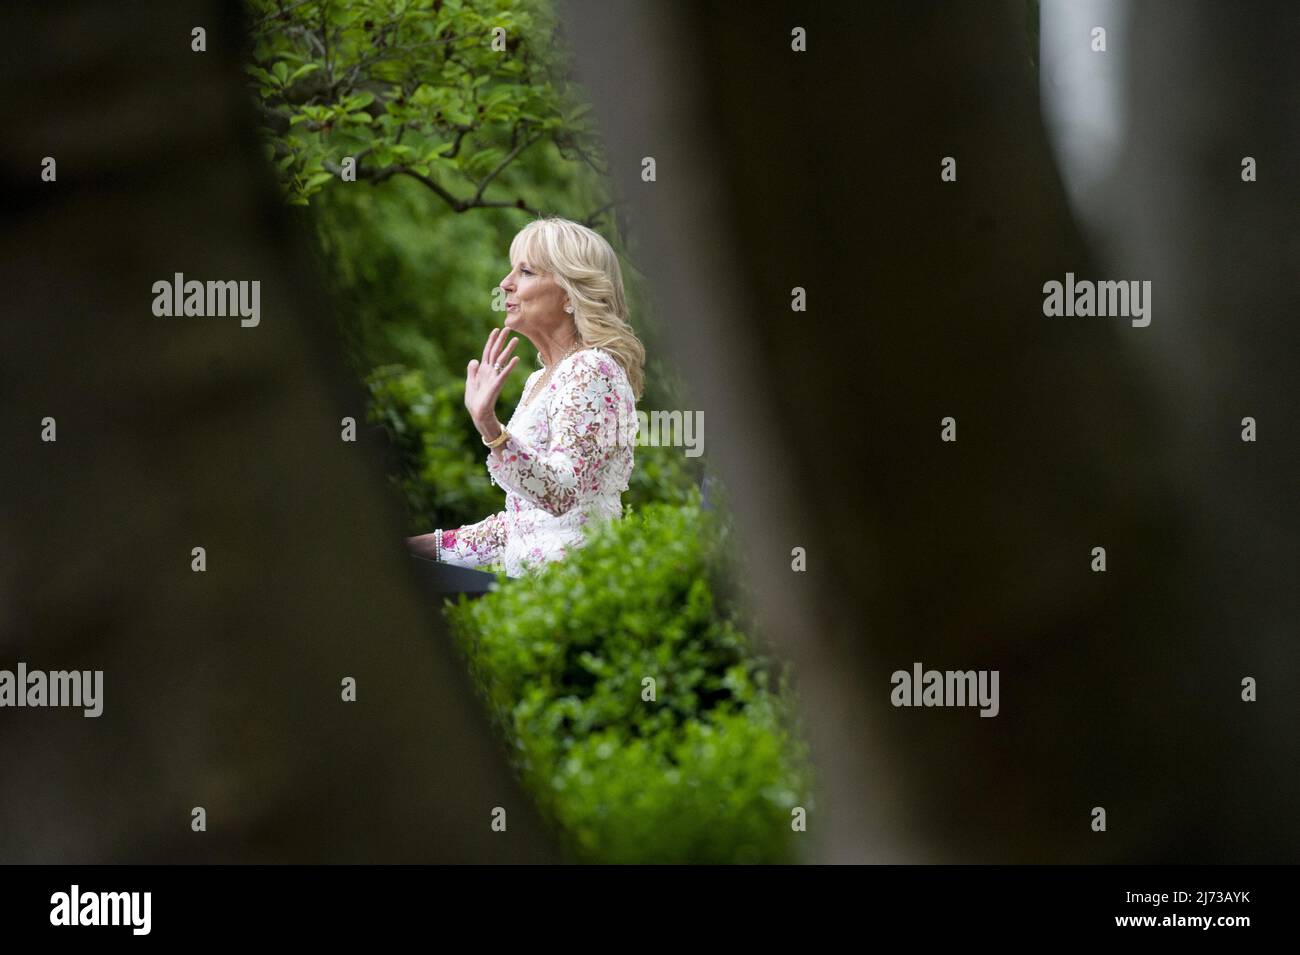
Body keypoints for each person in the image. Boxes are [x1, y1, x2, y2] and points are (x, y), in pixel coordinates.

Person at [406, 216, 645, 577]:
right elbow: (523, 524)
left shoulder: (593, 370)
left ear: (569, 294)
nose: (505, 284)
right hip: (532, 593)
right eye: (510, 271)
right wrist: (421, 548)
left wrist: (491, 428)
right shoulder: (541, 379)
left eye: (526, 272)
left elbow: (560, 495)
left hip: (573, 588)